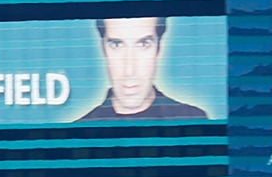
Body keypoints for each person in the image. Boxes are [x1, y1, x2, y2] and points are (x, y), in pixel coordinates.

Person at [78, 17, 206, 120]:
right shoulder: (78, 135)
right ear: (103, 49)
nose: (129, 70)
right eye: (116, 45)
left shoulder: (192, 120)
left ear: (159, 48)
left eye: (143, 44)